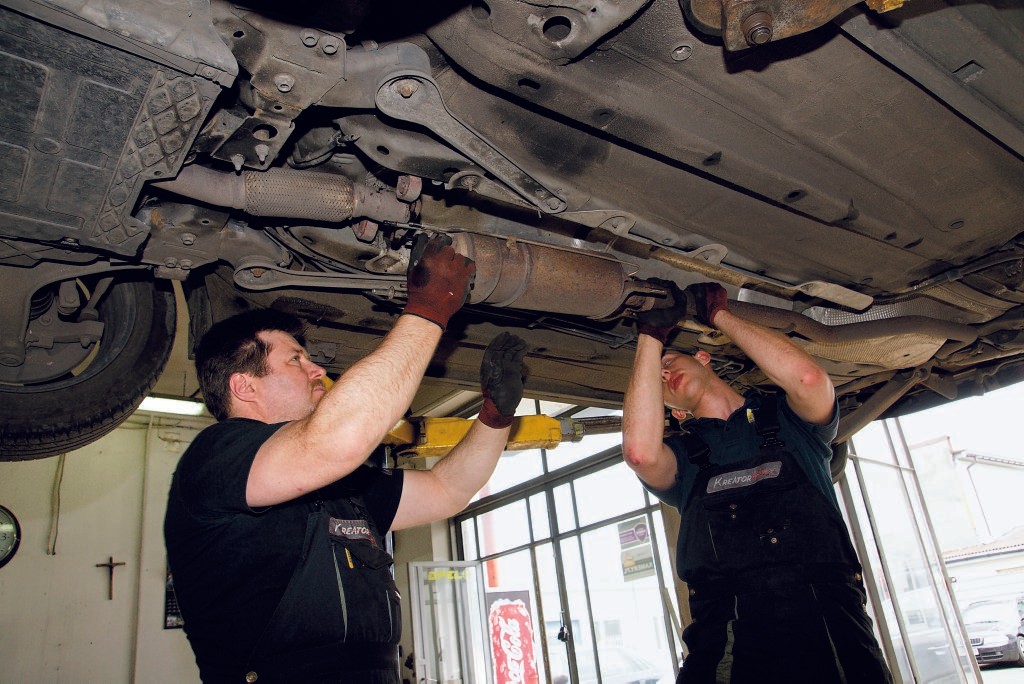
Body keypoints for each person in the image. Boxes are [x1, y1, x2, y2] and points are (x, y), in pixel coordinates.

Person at [164, 234, 529, 684]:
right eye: (296, 360)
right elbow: (333, 442)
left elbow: (446, 490)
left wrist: (494, 418)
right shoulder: (215, 458)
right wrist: (428, 309)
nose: (317, 370)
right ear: (244, 386)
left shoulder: (341, 487)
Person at [621, 279, 892, 683]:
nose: (664, 372)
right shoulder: (683, 461)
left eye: (670, 360)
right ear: (671, 412)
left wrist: (720, 315)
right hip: (726, 645)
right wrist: (650, 337)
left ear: (703, 358)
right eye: (657, 380)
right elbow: (640, 453)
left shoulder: (791, 423)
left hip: (830, 630)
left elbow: (809, 380)